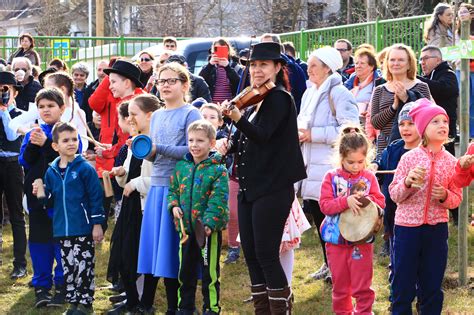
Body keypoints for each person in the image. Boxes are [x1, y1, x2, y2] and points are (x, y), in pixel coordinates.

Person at [218, 41, 306, 313]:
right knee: (253, 256)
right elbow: (247, 140)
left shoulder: (279, 98)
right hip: (250, 187)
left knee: (267, 255)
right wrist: (227, 144)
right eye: (253, 65)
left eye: (263, 65)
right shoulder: (256, 101)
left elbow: (263, 135)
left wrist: (236, 118)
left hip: (273, 188)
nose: (256, 70)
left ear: (278, 67)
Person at [137, 62, 201, 314]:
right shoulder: (157, 116)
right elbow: (154, 155)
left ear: (184, 85)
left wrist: (158, 149)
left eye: (171, 80)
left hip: (180, 190)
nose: (165, 85)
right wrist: (146, 152)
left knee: (178, 251)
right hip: (157, 188)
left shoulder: (190, 114)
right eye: (161, 81)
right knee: (160, 252)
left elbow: (192, 151)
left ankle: (181, 306)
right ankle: (166, 305)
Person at [389, 98, 462, 314]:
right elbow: (394, 194)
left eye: (445, 121)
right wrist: (408, 183)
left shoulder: (451, 161)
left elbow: (456, 198)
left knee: (432, 284)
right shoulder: (408, 159)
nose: (442, 125)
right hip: (407, 230)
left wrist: (444, 196)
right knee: (403, 283)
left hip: (436, 230)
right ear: (422, 129)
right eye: (435, 121)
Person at [297, 46, 359, 282]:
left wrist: (315, 134)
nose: (309, 69)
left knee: (332, 221)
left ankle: (341, 267)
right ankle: (328, 263)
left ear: (327, 68)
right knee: (320, 220)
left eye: (314, 65)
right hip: (309, 166)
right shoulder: (309, 92)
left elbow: (351, 129)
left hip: (329, 168)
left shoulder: (340, 93)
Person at [19, 87, 83, 308]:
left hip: (62, 200)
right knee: (39, 242)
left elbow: (70, 157)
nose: (46, 110)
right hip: (37, 198)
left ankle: (63, 284)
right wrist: (34, 145)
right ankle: (41, 285)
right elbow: (26, 162)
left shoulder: (69, 132)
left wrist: (47, 143)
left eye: (51, 106)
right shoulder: (31, 133)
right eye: (41, 107)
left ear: (62, 108)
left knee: (61, 242)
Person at [38, 122, 105, 315]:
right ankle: (74, 301)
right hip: (62, 229)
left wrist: (97, 224)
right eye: (65, 140)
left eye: (74, 139)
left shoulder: (85, 169)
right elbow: (49, 200)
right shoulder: (51, 171)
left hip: (83, 228)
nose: (71, 143)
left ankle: (86, 302)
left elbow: (95, 197)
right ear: (55, 146)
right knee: (69, 266)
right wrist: (41, 191)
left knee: (84, 266)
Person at [319, 126, 385, 315]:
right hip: (336, 241)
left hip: (362, 242)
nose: (356, 166)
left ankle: (364, 312)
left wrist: (368, 202)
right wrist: (344, 202)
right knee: (340, 287)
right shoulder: (331, 178)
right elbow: (324, 205)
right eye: (351, 162)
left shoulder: (369, 177)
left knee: (362, 286)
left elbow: (381, 202)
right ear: (341, 157)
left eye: (360, 162)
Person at [168, 119, 229, 314]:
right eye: (191, 140)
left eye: (200, 141)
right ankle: (184, 306)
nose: (194, 145)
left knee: (209, 273)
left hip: (207, 233)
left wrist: (209, 224)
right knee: (184, 271)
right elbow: (173, 191)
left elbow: (218, 201)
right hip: (185, 230)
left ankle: (211, 307)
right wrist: (174, 206)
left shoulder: (218, 170)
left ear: (212, 143)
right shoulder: (181, 167)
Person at [106, 95, 158, 314]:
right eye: (128, 115)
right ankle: (132, 300)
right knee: (124, 253)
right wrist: (121, 173)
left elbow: (162, 179)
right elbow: (129, 171)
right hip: (130, 206)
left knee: (144, 256)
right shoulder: (135, 141)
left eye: (134, 114)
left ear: (149, 115)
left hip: (146, 207)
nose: (130, 119)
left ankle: (145, 303)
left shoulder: (156, 143)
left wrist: (136, 183)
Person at [374, 102, 421, 306]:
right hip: (394, 215)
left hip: (418, 216)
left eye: (411, 123)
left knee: (420, 261)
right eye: (402, 124)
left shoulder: (424, 151)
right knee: (398, 261)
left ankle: (420, 295)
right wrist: (374, 165)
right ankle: (397, 296)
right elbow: (381, 164)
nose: (405, 128)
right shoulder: (393, 148)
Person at [370, 44, 431, 159]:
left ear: (409, 64)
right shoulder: (379, 89)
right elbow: (375, 123)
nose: (396, 63)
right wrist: (394, 107)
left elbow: (427, 119)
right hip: (386, 151)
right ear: (387, 63)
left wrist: (406, 99)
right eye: (392, 60)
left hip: (415, 150)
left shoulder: (421, 87)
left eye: (401, 60)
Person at [200, 103, 238, 263]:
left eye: (212, 117)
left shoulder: (224, 138)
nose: (207, 120)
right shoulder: (194, 139)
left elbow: (229, 161)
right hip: (200, 185)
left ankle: (233, 247)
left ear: (220, 122)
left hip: (223, 182)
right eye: (204, 116)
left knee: (232, 213)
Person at [0, 71, 27, 280]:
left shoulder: (20, 113)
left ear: (14, 92)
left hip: (13, 165)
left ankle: (20, 263)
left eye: (6, 89)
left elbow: (12, 134)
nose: (3, 93)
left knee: (16, 214)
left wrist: (4, 110)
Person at [43, 72, 89, 153]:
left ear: (62, 89)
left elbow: (84, 142)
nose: (45, 92)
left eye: (49, 89)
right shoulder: (42, 109)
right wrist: (30, 129)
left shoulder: (78, 113)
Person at [261, 34, 307, 113]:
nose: (264, 49)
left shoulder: (293, 68)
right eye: (262, 46)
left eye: (269, 46)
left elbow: (301, 96)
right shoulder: (255, 68)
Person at [344, 47, 385, 132]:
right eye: (356, 63)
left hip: (370, 127)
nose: (358, 66)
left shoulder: (379, 83)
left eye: (362, 63)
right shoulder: (350, 82)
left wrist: (371, 111)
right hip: (350, 125)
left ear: (371, 67)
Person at [199, 38, 241, 103]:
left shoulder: (235, 66)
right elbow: (200, 81)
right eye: (217, 49)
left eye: (223, 49)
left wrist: (228, 67)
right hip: (212, 107)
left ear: (228, 51)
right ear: (213, 51)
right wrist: (210, 65)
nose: (220, 52)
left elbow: (240, 84)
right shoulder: (208, 66)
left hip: (229, 106)